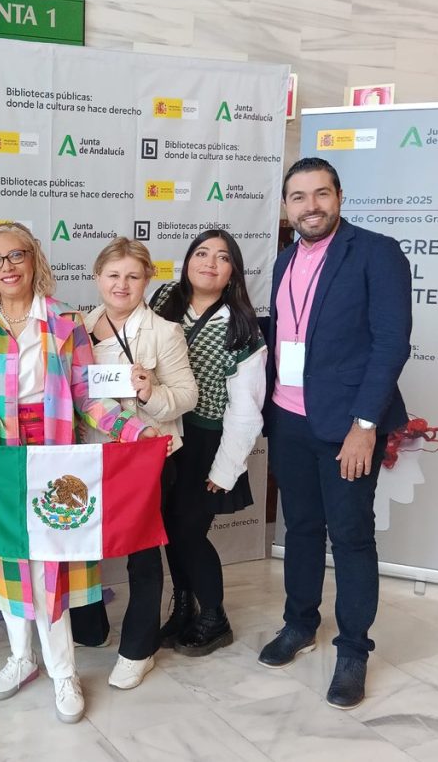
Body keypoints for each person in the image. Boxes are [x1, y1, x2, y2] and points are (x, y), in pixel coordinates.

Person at [0, 223, 157, 723]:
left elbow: (87, 395)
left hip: (53, 459)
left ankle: (63, 672)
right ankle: (21, 658)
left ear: (34, 259)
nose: (7, 267)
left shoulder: (66, 322)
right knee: (7, 560)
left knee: (50, 570)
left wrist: (133, 430)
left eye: (16, 255)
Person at [261, 157, 411, 710]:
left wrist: (365, 425)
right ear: (286, 206)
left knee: (350, 536)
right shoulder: (283, 260)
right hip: (289, 419)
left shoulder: (376, 252)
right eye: (298, 197)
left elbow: (391, 343)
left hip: (347, 426)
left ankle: (353, 650)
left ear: (340, 197)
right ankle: (300, 623)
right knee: (300, 528)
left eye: (321, 194)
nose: (311, 206)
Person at [68, 237, 198, 689]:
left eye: (133, 276)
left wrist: (149, 392)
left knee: (142, 552)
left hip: (146, 456)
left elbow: (187, 396)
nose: (121, 285)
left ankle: (138, 649)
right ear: (97, 277)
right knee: (82, 542)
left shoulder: (164, 332)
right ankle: (89, 627)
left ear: (147, 280)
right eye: (113, 275)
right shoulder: (76, 327)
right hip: (93, 454)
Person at [150, 229, 267, 658]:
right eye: (201, 253)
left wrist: (225, 468)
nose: (209, 263)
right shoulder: (165, 300)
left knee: (188, 531)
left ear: (233, 271)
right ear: (187, 261)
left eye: (222, 257)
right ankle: (184, 606)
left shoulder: (241, 326)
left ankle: (215, 616)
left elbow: (246, 409)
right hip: (163, 430)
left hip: (207, 441)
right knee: (168, 528)